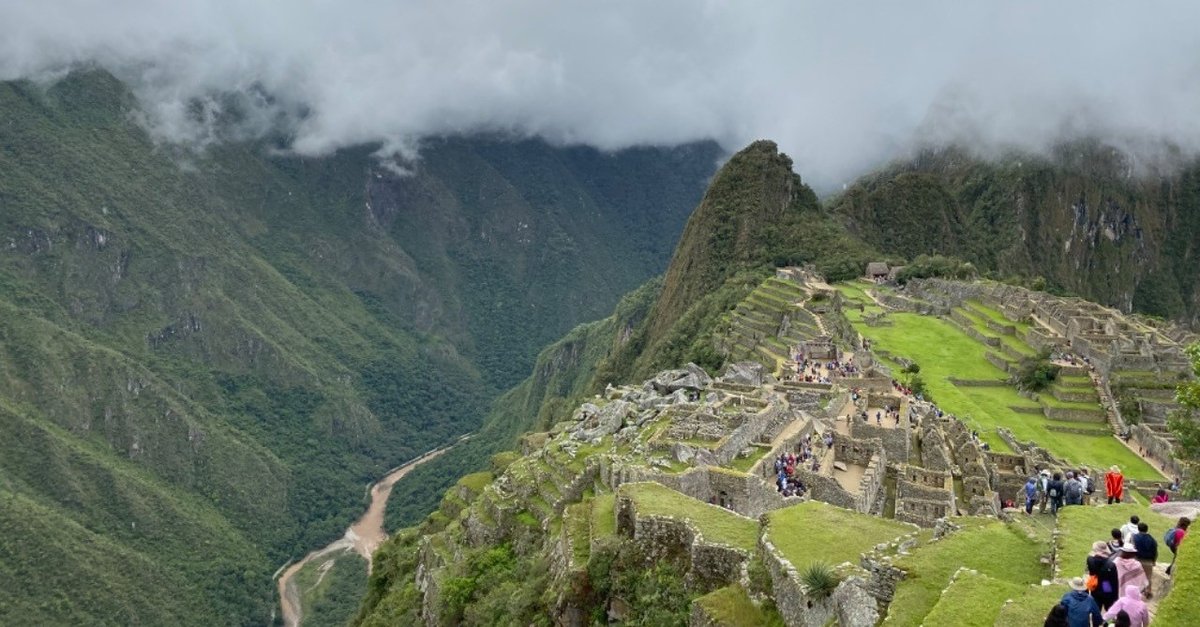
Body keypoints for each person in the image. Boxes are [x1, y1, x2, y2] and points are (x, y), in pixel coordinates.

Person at [1086, 541, 1119, 610]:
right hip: (1106, 585)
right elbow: (1114, 581)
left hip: (1095, 583)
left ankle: (1096, 619)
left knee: (1096, 607)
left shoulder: (1090, 560)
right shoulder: (1111, 564)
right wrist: (1115, 597)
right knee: (1109, 608)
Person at [1132, 522, 1157, 597]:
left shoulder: (1134, 537)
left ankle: (1136, 592)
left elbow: (1133, 548)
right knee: (1148, 577)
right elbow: (1155, 552)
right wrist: (1154, 561)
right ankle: (1148, 592)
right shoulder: (1152, 539)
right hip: (1148, 561)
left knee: (1136, 577)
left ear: (1138, 529)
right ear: (1147, 529)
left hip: (1137, 560)